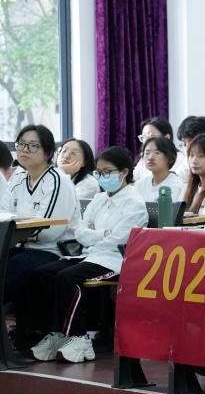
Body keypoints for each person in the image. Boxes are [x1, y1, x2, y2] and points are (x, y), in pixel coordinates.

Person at [22, 147, 148, 363]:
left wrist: (96, 234)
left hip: (114, 261)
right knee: (41, 274)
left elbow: (118, 239)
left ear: (124, 172)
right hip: (89, 255)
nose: (102, 177)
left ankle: (79, 337)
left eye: (107, 172)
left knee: (68, 277)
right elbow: (79, 232)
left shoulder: (134, 203)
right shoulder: (99, 198)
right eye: (99, 172)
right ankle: (57, 333)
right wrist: (102, 233)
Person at [7, 125, 80, 298]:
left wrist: (13, 235)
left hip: (51, 250)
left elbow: (49, 231)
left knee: (8, 273)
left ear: (47, 153)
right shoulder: (18, 179)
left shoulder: (57, 180)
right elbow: (5, 214)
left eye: (33, 145)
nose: (25, 149)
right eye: (21, 144)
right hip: (20, 246)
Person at [132, 116, 188, 183]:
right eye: (143, 137)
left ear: (166, 137)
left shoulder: (178, 158)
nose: (146, 141)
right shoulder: (143, 158)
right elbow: (133, 179)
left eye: (151, 136)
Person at [133, 137, 185, 203]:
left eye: (157, 153)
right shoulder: (140, 184)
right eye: (147, 153)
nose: (150, 157)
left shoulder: (176, 184)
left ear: (170, 158)